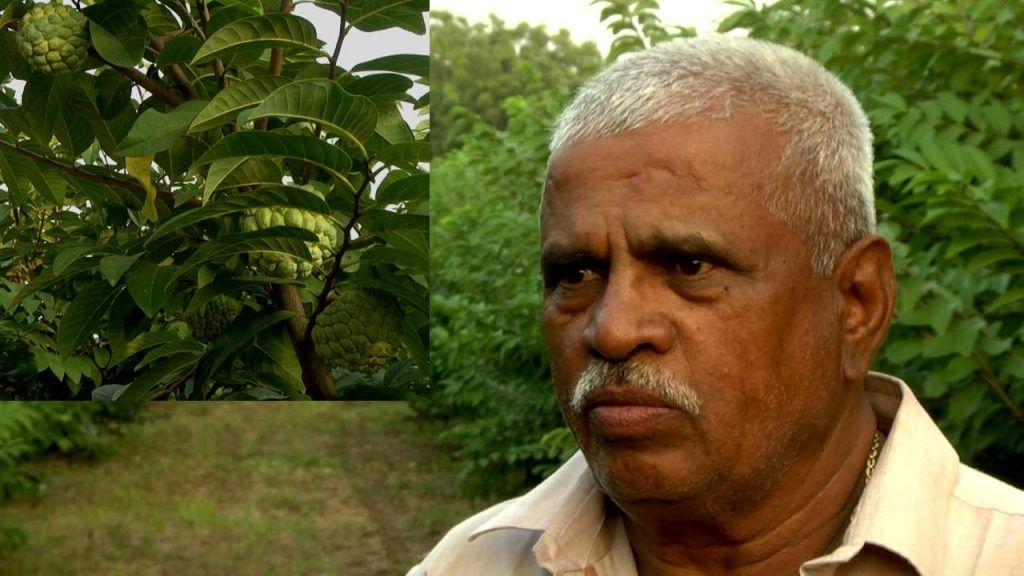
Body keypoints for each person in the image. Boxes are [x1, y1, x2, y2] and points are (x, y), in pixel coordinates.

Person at [411, 36, 1024, 575]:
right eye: (575, 274)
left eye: (689, 266)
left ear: (857, 303)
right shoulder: (472, 564)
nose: (614, 330)